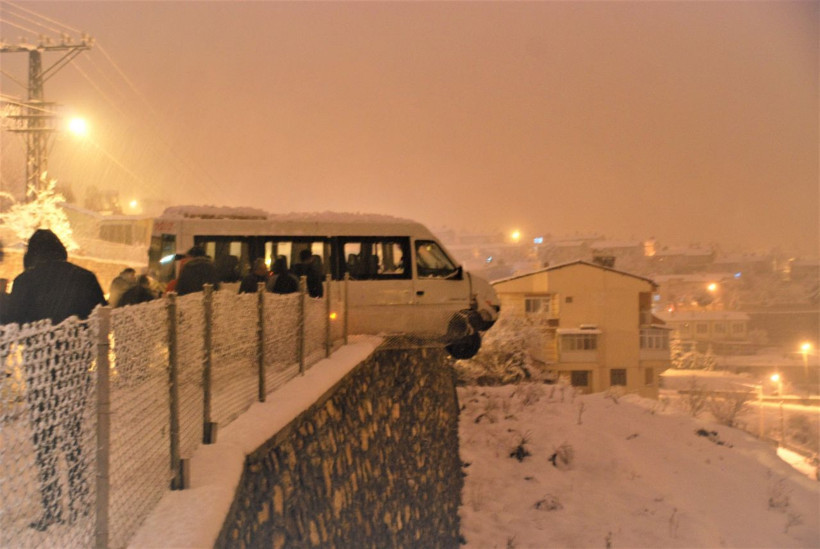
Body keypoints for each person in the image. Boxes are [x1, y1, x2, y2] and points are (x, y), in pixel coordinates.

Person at [4, 229, 106, 531]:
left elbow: (12, 321)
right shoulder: (85, 277)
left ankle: (52, 507)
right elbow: (101, 316)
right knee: (73, 434)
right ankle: (79, 498)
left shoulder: (25, 281)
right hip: (75, 366)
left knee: (45, 438)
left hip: (41, 367)